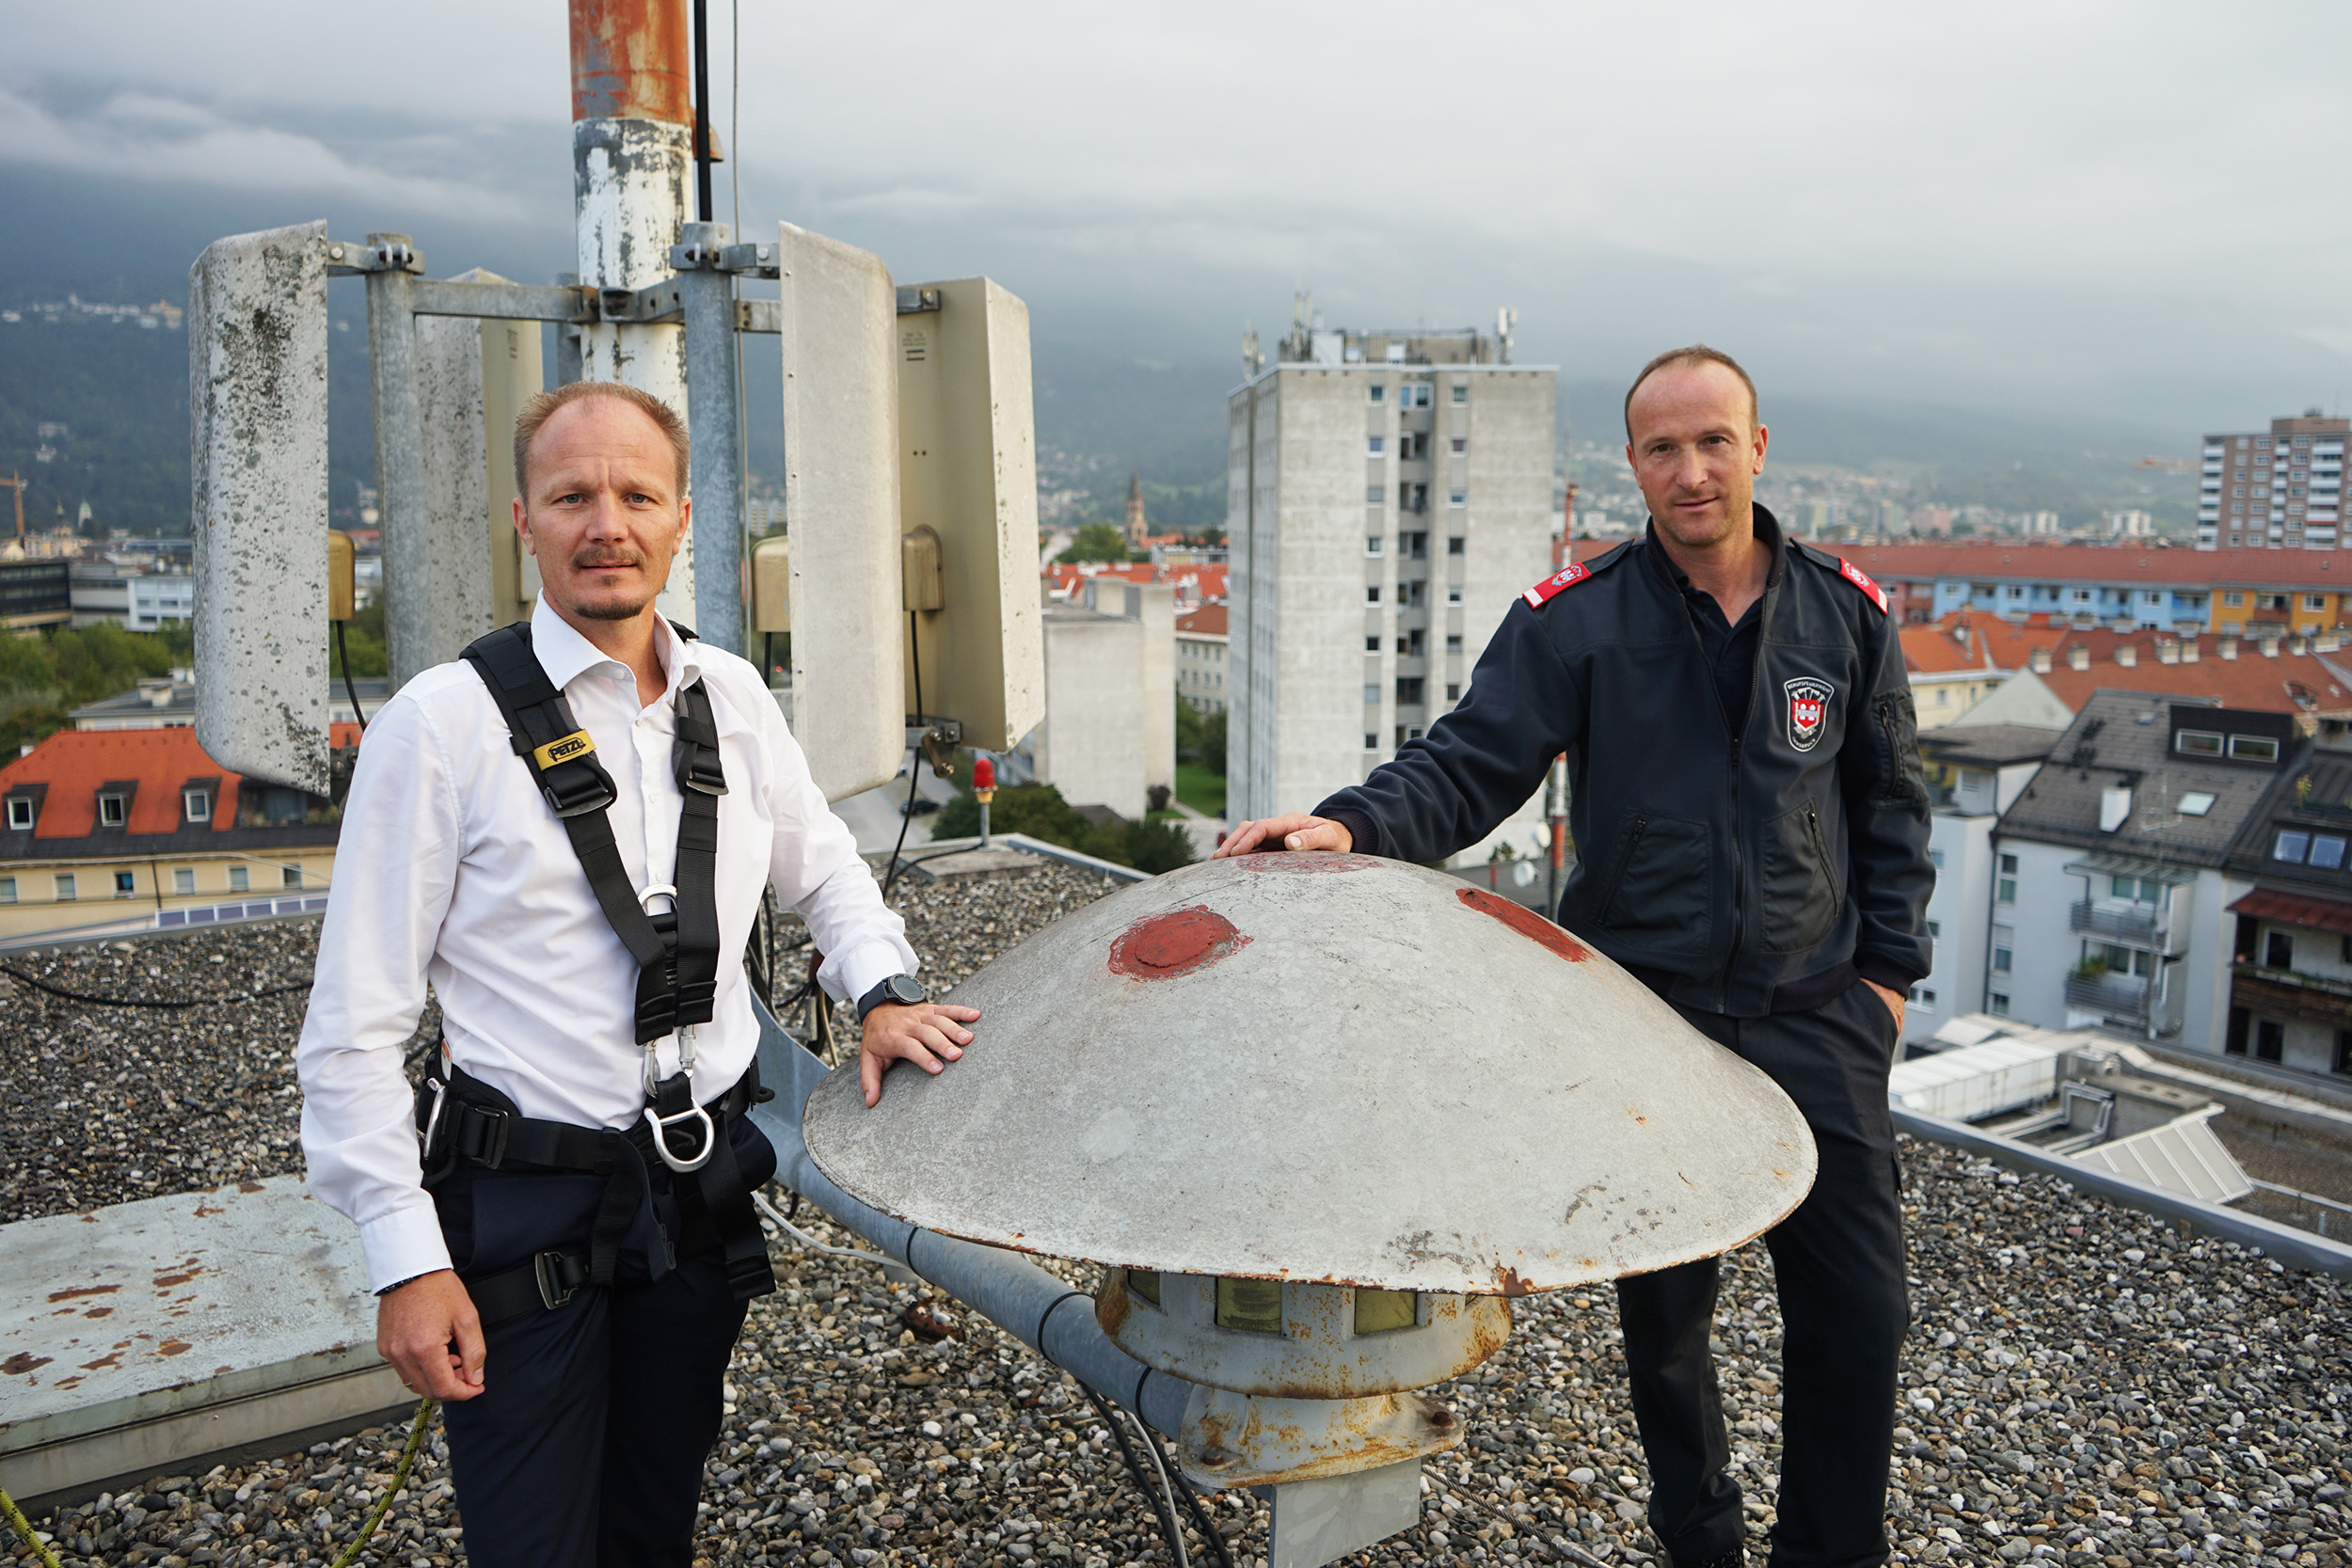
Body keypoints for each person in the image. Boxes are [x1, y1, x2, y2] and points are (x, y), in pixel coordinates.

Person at [1216, 346, 1931, 1568]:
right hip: (1641, 1020)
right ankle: (1696, 1529)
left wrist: (1888, 983)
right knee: (1664, 1318)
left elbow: (1891, 805)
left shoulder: (1845, 615)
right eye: (1664, 446)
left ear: (1759, 447)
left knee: (1859, 1314)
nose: (1692, 468)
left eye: (1714, 440)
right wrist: (1351, 822)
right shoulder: (1582, 621)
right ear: (1634, 463)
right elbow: (1470, 760)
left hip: (1817, 1011)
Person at [296, 381, 979, 1568]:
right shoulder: (442, 724)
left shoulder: (732, 699)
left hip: (693, 1200)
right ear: (526, 519)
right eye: (572, 496)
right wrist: (406, 1259)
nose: (604, 522)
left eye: (634, 494)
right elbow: (353, 1024)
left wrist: (882, 992)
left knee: (654, 1518)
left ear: (680, 518)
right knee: (534, 1542)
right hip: (523, 1204)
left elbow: (826, 871)